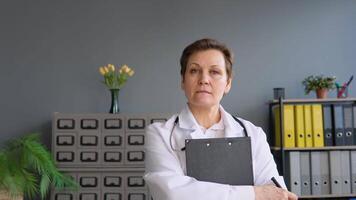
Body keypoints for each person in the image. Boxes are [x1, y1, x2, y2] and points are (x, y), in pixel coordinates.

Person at [144, 38, 298, 200]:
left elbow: (276, 194)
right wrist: (254, 193)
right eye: (194, 71)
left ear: (228, 84)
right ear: (183, 81)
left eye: (214, 72)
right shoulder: (160, 134)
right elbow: (172, 194)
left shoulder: (253, 134)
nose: (204, 79)